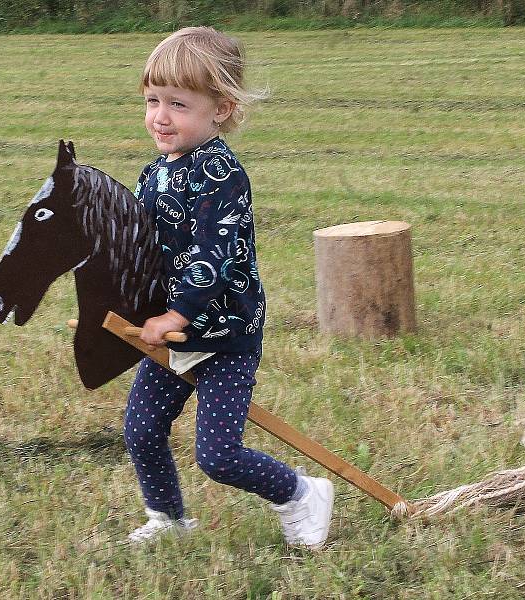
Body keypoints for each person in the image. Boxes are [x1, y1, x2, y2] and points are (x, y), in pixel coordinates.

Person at [125, 26, 334, 549]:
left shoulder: (222, 176)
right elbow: (139, 244)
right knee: (142, 430)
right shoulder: (154, 173)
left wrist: (178, 313)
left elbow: (212, 256)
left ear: (220, 107)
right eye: (153, 101)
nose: (161, 117)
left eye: (178, 104)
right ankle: (168, 517)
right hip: (173, 337)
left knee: (218, 456)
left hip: (223, 335)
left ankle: (300, 494)